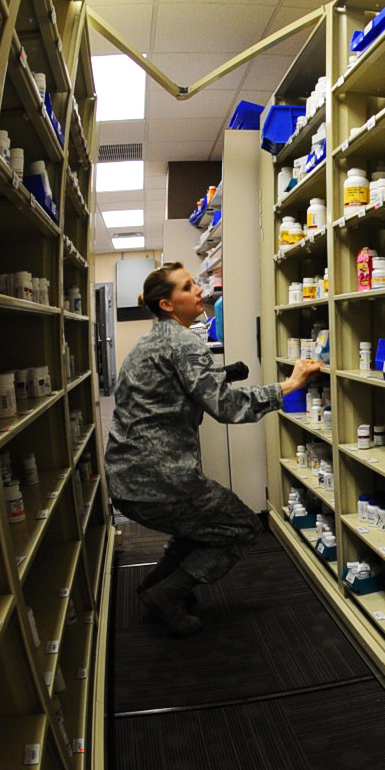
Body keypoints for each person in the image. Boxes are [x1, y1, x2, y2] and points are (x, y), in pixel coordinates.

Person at [105, 262, 319, 635]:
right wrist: (289, 385)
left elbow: (178, 384)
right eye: (188, 287)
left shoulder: (150, 342)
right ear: (168, 305)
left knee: (195, 529)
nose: (200, 291)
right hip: (162, 481)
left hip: (127, 481)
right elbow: (228, 408)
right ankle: (169, 594)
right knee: (240, 526)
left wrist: (222, 374)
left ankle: (150, 588)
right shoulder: (185, 342)